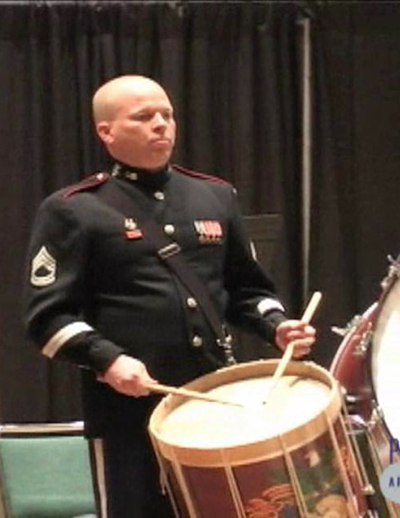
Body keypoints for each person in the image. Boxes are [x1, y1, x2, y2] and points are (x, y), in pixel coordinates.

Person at [24, 75, 316, 518]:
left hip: (213, 402)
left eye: (167, 114)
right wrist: (107, 358)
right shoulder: (74, 209)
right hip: (129, 414)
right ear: (107, 132)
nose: (161, 124)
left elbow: (247, 290)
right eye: (143, 117)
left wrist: (277, 325)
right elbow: (47, 317)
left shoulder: (214, 195)